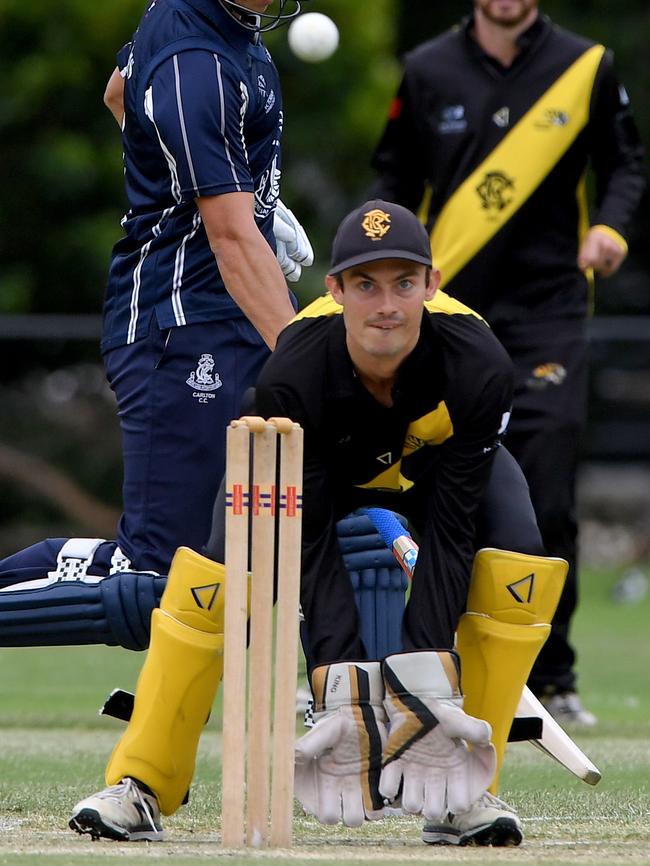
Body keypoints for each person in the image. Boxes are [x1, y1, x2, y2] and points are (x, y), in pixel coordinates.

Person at [68, 200, 567, 847]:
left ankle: (464, 788)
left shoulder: (478, 364)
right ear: (335, 291)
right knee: (212, 575)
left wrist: (425, 683)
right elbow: (307, 540)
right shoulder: (293, 372)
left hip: (435, 466)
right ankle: (141, 785)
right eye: (365, 285)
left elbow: (452, 529)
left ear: (431, 285)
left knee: (519, 561)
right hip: (317, 471)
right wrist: (336, 677)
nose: (385, 305)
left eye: (403, 284)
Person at [370, 0, 645, 727]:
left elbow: (625, 163)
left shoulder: (586, 65)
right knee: (431, 485)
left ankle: (552, 677)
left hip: (549, 314)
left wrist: (611, 226)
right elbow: (391, 181)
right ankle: (437, 663)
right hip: (449, 315)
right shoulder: (427, 69)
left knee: (547, 492)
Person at [0, 1, 313, 625]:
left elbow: (120, 93)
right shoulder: (193, 56)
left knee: (261, 539)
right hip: (180, 321)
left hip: (231, 310)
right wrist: (312, 361)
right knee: (159, 580)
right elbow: (227, 236)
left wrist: (225, 187)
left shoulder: (224, 24)